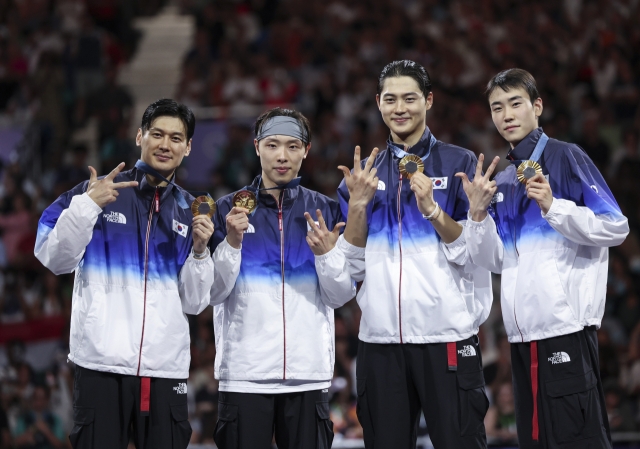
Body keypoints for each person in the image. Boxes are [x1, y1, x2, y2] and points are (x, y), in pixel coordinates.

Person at [459, 68, 629, 449]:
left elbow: (616, 227)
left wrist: (554, 207)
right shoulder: (501, 180)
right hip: (522, 338)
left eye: (516, 103)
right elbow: (496, 261)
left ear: (537, 106)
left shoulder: (567, 157)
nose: (506, 115)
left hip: (565, 329)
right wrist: (478, 216)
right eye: (496, 107)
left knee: (580, 441)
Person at [34, 98, 214, 449]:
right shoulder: (97, 192)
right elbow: (54, 258)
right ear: (139, 136)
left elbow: (194, 303)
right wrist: (87, 205)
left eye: (176, 138)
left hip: (164, 372)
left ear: (188, 147)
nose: (165, 145)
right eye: (157, 134)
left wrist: (200, 249)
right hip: (101, 367)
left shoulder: (192, 210)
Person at [336, 59, 492, 448]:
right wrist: (357, 206)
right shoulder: (364, 175)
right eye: (390, 99)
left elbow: (472, 254)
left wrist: (433, 211)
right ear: (378, 103)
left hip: (447, 336)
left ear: (429, 101)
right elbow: (350, 265)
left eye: (410, 98)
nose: (399, 108)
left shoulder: (459, 165)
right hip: (380, 343)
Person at [209, 107, 355, 449]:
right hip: (245, 377)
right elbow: (212, 294)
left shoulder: (326, 211)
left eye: (292, 146)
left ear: (306, 150)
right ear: (257, 146)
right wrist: (231, 242)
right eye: (273, 145)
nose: (282, 156)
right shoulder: (226, 210)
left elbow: (340, 296)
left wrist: (326, 255)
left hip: (308, 376)